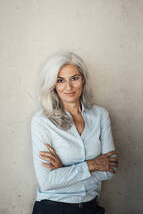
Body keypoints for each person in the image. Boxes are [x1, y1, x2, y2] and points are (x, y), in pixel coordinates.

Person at [31, 51, 118, 214]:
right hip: (53, 207)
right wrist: (91, 165)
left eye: (74, 78)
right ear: (53, 85)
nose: (68, 87)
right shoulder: (42, 121)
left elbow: (110, 169)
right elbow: (47, 181)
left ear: (83, 79)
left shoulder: (100, 115)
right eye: (60, 80)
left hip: (91, 207)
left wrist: (63, 170)